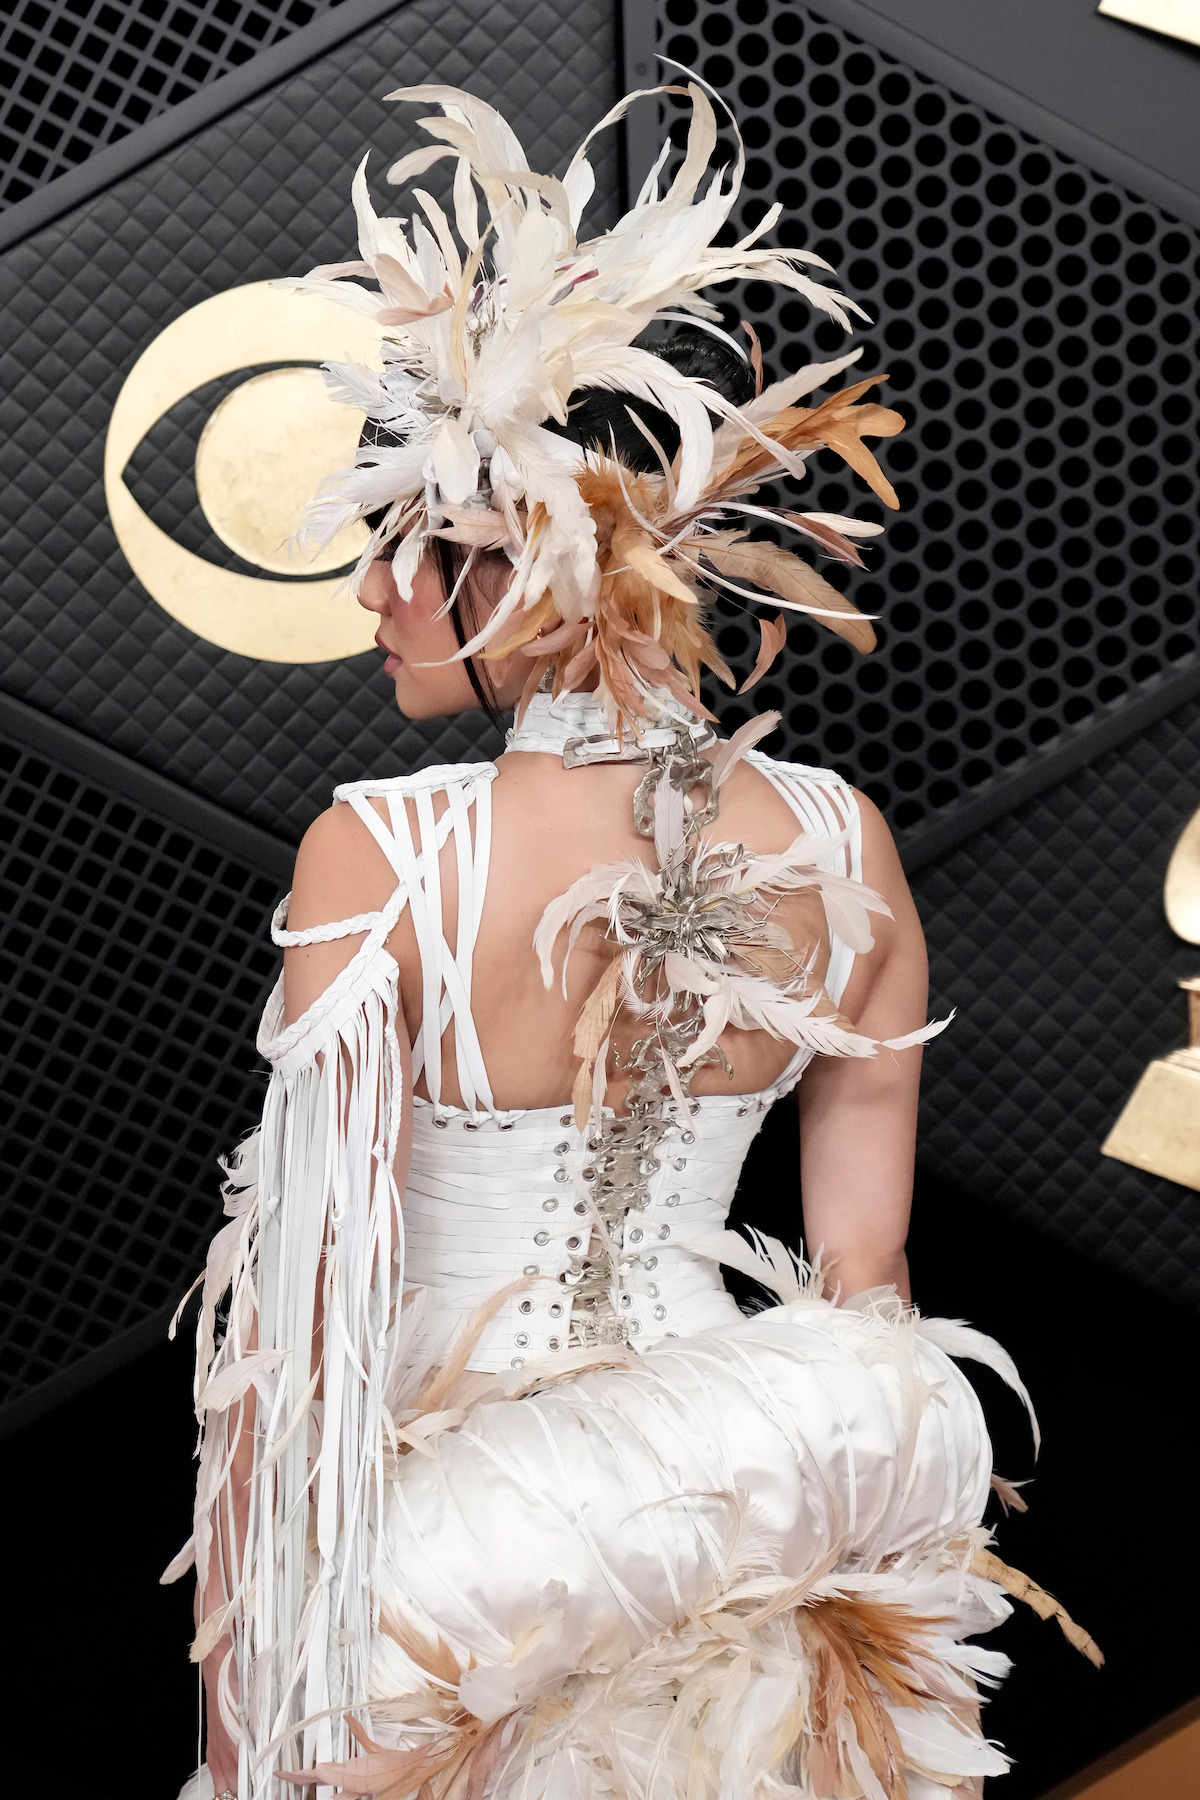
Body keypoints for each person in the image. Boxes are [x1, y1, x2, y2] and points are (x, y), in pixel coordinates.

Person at [168, 80, 1098, 1800]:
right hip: (765, 1499)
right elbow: (865, 1286)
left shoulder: (384, 854)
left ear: (528, 556)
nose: (371, 596)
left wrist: (246, 1733)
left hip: (463, 1567)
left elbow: (300, 1350)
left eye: (404, 544)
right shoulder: (841, 841)